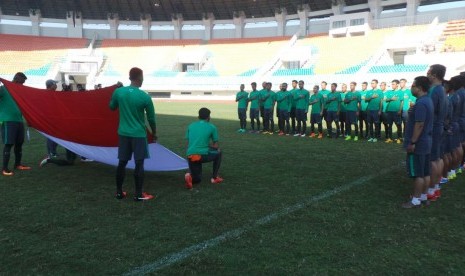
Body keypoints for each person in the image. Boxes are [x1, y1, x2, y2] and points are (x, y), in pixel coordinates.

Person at [109, 67, 156, 201]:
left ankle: (119, 192)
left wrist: (115, 93)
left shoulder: (119, 92)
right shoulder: (144, 96)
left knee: (122, 163)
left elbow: (111, 107)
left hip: (123, 133)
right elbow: (151, 119)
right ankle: (138, 194)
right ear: (140, 78)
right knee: (139, 164)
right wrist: (154, 133)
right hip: (139, 135)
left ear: (130, 78)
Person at [402, 76, 434, 208]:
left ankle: (415, 200)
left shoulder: (421, 103)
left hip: (419, 143)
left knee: (418, 174)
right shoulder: (427, 100)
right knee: (425, 172)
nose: (411, 88)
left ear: (419, 88)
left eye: (413, 85)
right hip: (426, 141)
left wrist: (413, 142)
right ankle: (424, 196)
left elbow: (419, 124)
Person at [0, 72, 31, 176]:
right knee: (8, 144)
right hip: (8, 121)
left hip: (19, 121)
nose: (22, 85)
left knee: (19, 143)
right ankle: (5, 169)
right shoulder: (3, 89)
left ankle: (17, 164)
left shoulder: (18, 91)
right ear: (16, 80)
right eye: (21, 83)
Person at [184, 107, 223, 189]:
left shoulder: (191, 126)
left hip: (191, 155)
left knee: (197, 180)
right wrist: (208, 145)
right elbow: (216, 146)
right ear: (209, 117)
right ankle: (215, 177)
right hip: (202, 155)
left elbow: (187, 144)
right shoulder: (212, 127)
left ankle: (189, 176)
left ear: (198, 117)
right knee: (219, 152)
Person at [426, 64, 448, 202]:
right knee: (438, 158)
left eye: (429, 72)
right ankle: (436, 188)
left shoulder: (435, 91)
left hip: (433, 128)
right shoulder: (442, 90)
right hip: (439, 126)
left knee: (433, 160)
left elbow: (430, 110)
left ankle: (431, 190)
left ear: (434, 75)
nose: (427, 74)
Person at [385, 79, 404, 144]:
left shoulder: (400, 92)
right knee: (389, 125)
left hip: (396, 111)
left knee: (398, 125)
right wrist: (391, 99)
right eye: (392, 84)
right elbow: (386, 100)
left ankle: (399, 138)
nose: (392, 85)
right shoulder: (389, 92)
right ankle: (390, 138)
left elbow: (402, 102)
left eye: (393, 84)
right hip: (389, 111)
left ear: (397, 85)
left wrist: (400, 110)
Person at [44, 79, 59, 157]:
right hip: (50, 118)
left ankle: (53, 151)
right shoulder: (46, 94)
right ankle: (51, 152)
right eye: (55, 84)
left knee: (56, 135)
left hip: (55, 118)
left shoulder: (53, 93)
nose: (56, 85)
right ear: (51, 85)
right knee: (51, 136)